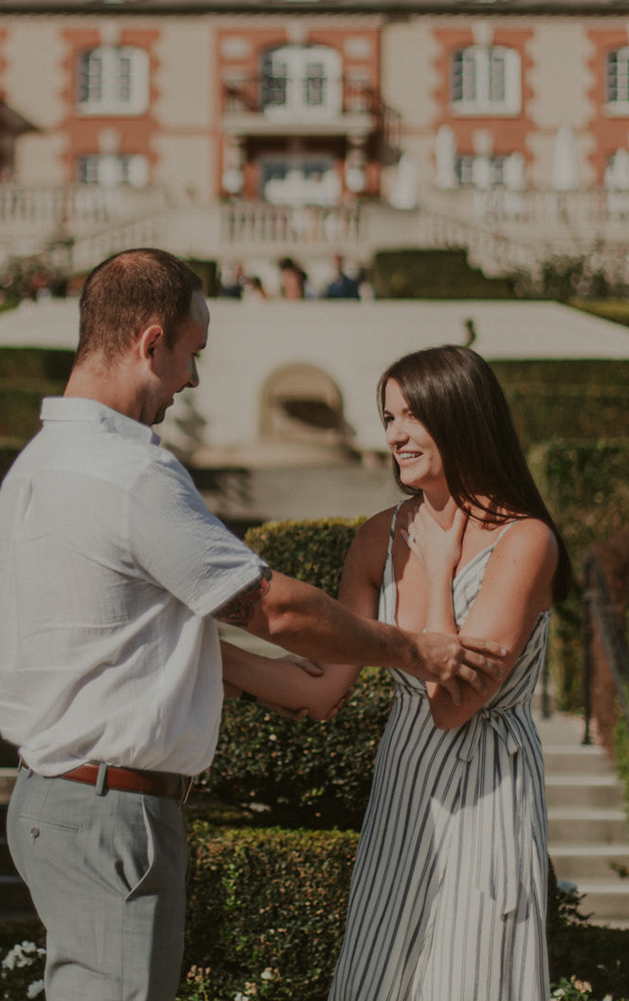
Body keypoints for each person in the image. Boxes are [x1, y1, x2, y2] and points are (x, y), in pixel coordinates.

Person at [0, 252, 505, 1001]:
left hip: (55, 800)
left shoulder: (36, 465)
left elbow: (114, 633)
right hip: (111, 810)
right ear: (151, 341)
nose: (191, 381)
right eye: (191, 356)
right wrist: (412, 648)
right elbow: (274, 608)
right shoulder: (127, 472)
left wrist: (208, 660)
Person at [220, 344, 567, 1001]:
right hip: (402, 792)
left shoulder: (526, 542)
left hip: (485, 798)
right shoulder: (376, 537)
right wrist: (206, 657)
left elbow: (453, 703)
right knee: (378, 980)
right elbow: (323, 688)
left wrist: (437, 570)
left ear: (461, 417)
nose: (396, 434)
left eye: (413, 416)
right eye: (388, 418)